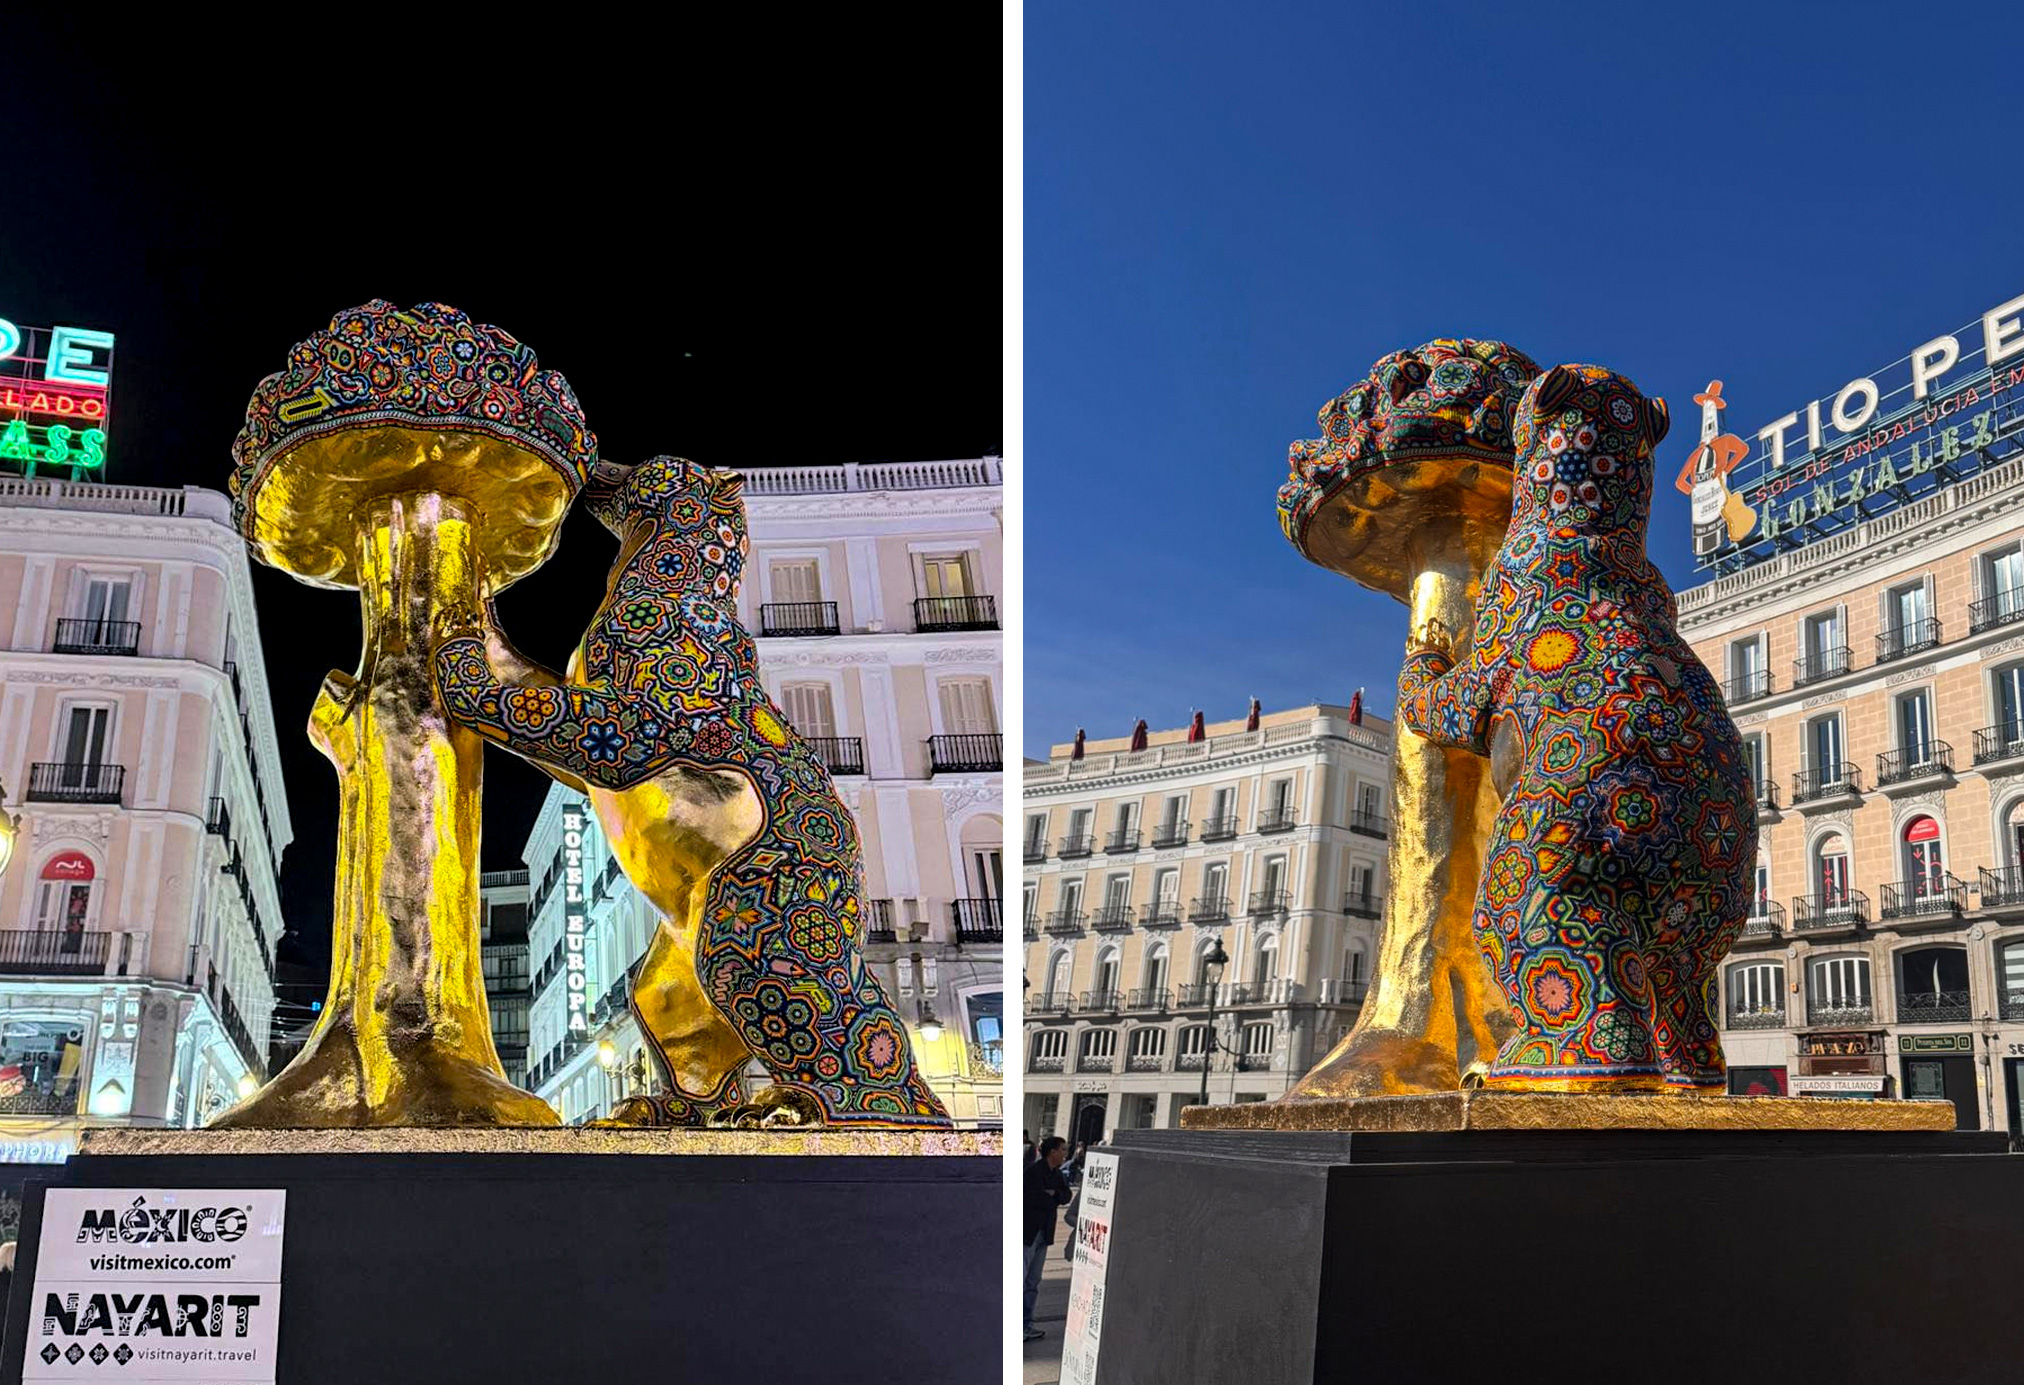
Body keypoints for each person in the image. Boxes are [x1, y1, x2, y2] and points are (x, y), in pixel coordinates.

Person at [1023, 1136, 1071, 1341]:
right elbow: (1035, 1198)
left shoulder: (1057, 1173)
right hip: (1028, 1232)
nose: (1065, 1154)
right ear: (1053, 1152)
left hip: (1044, 1233)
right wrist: (1053, 1196)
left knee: (1033, 1281)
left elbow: (1066, 1196)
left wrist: (1054, 1194)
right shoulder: (1034, 1172)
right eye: (1063, 1150)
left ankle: (1026, 1323)